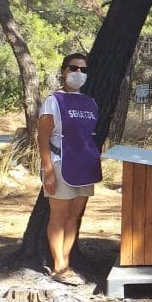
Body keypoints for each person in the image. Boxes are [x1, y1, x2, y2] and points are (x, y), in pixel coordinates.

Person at [38, 53, 102, 285]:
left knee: (74, 216)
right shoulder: (53, 101)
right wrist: (48, 171)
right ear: (64, 71)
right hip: (60, 163)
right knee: (59, 215)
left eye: (83, 70)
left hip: (84, 166)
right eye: (73, 68)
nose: (78, 73)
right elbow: (42, 137)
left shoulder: (90, 103)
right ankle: (58, 267)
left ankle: (66, 262)